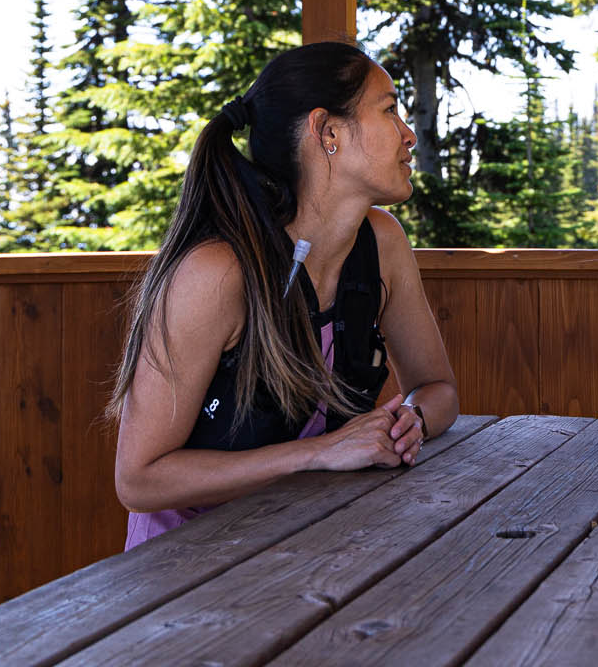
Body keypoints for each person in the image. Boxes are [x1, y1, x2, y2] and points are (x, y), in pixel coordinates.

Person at [110, 41, 459, 549]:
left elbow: (437, 389)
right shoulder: (218, 272)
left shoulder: (382, 243)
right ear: (328, 132)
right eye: (388, 111)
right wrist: (319, 453)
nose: (409, 134)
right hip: (185, 577)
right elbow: (139, 480)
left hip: (312, 550)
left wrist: (411, 422)